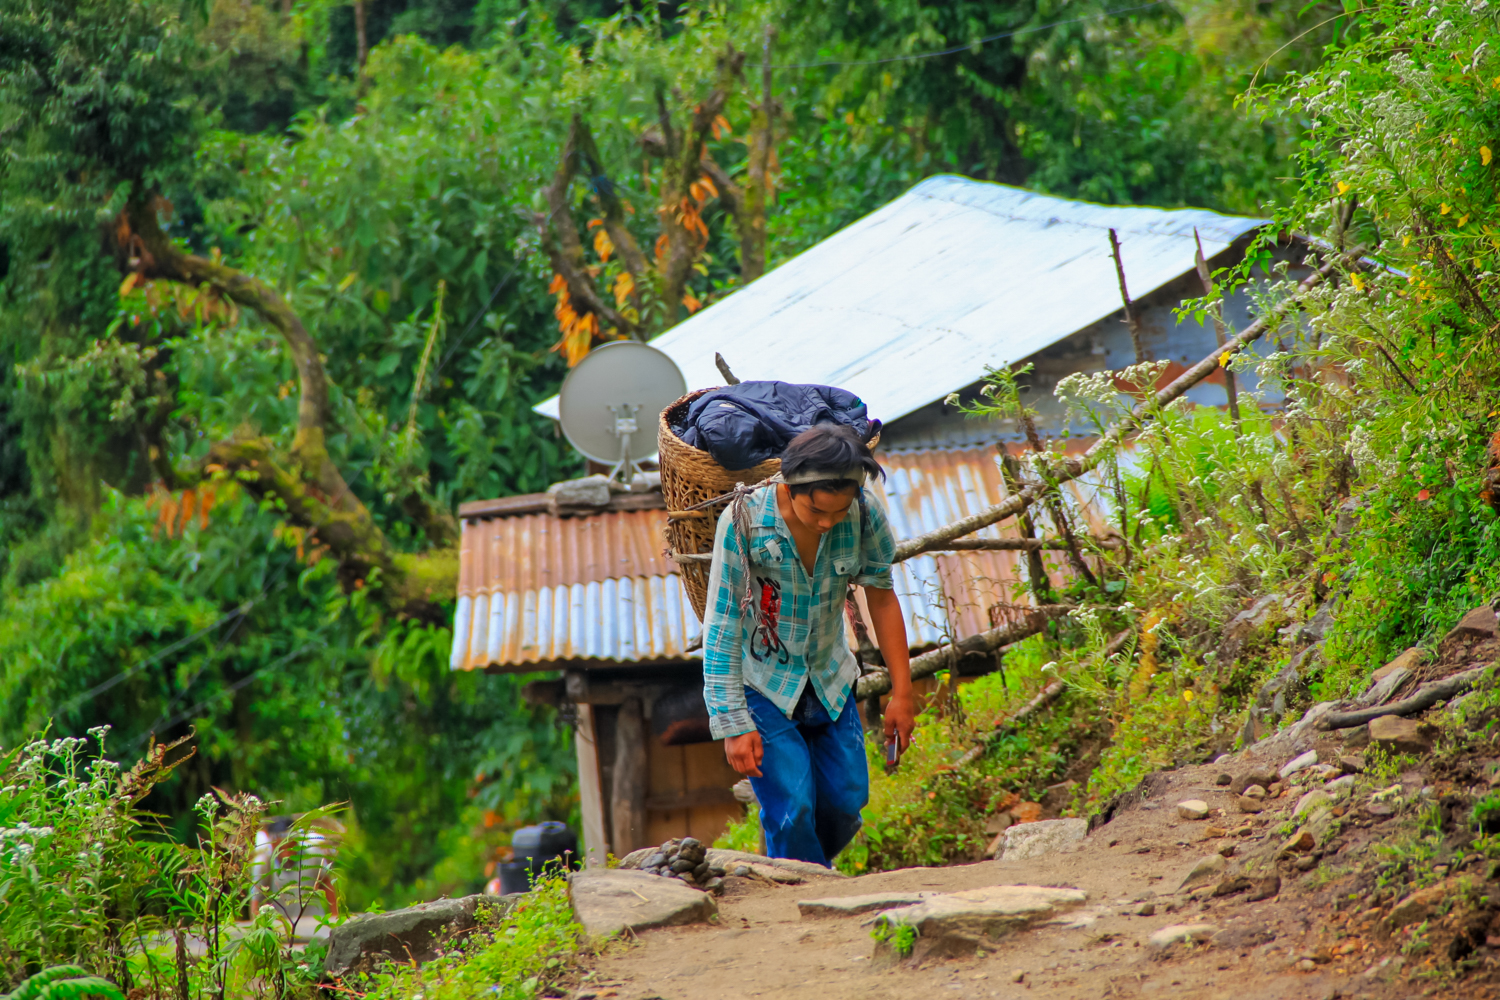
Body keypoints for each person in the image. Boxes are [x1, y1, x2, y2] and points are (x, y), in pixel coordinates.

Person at [702, 423, 915, 866]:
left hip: (829, 678)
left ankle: (800, 870)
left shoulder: (864, 514)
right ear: (789, 483)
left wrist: (903, 693)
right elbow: (722, 623)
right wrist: (731, 721)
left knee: (846, 801)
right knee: (792, 809)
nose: (826, 523)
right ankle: (800, 894)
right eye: (817, 511)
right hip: (763, 684)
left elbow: (881, 596)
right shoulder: (744, 521)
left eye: (837, 514)